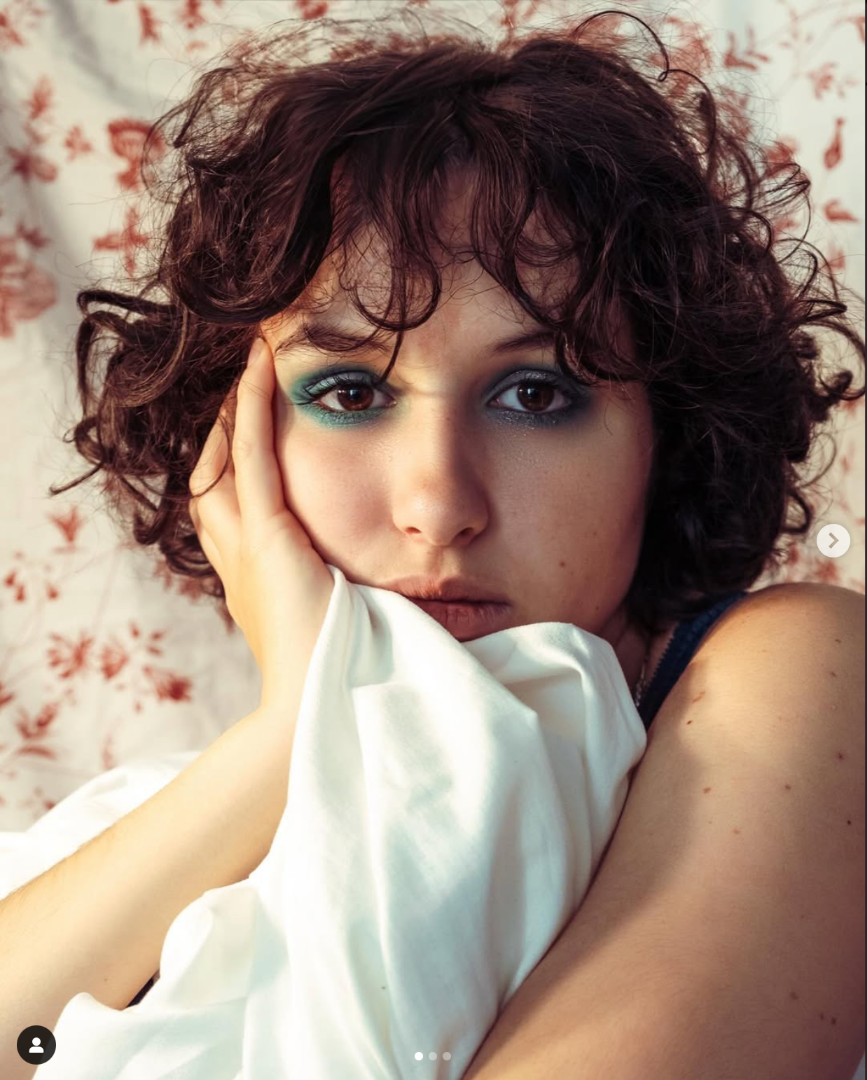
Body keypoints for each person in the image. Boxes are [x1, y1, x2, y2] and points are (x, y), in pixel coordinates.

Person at [1, 7, 864, 1079]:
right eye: (349, 392)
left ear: (669, 433)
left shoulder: (802, 677)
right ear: (235, 441)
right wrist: (290, 733)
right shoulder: (142, 818)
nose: (439, 505)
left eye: (535, 394)